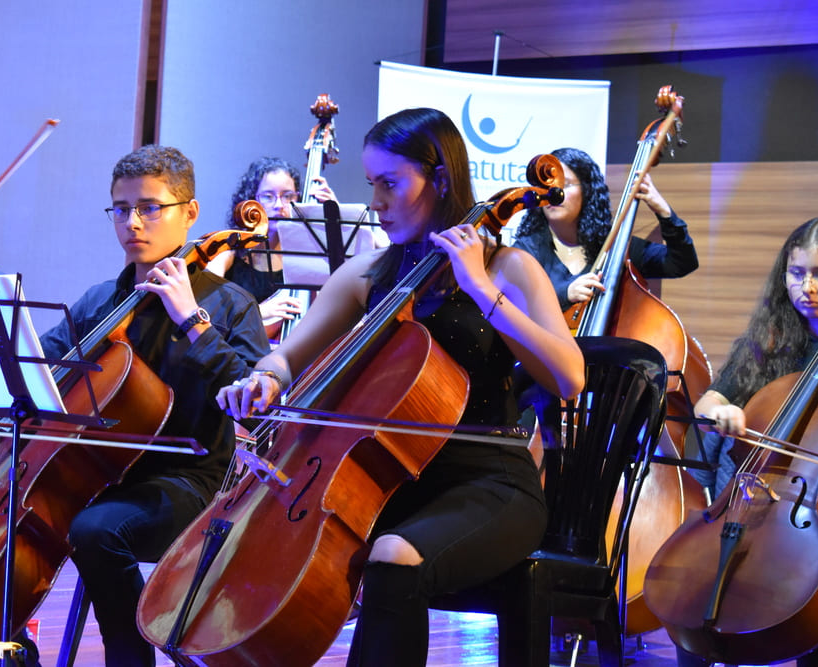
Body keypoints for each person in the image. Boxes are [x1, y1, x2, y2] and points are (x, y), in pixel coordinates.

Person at [217, 108, 584, 666]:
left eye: (390, 184)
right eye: (372, 185)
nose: (378, 202)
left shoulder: (507, 268)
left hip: (490, 486)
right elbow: (289, 356)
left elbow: (569, 378)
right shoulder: (369, 276)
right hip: (390, 483)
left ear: (439, 179)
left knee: (391, 556)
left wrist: (481, 289)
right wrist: (264, 379)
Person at [35, 145, 269, 666]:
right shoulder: (100, 302)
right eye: (121, 208)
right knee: (15, 508)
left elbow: (255, 401)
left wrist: (190, 319)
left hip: (189, 482)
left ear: (190, 212)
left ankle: (128, 658)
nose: (132, 222)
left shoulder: (229, 305)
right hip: (97, 473)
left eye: (149, 207)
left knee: (96, 530)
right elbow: (38, 368)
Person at [679, 216, 818, 667]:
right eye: (797, 272)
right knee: (698, 583)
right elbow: (707, 403)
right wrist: (722, 411)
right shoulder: (767, 341)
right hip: (761, 497)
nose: (808, 287)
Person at [510, 146, 698, 311]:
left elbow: (681, 263)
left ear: (587, 191)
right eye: (547, 187)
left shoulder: (617, 248)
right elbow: (511, 306)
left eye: (565, 185)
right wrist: (564, 294)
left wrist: (663, 210)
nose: (554, 194)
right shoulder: (526, 251)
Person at [208, 156, 335, 335]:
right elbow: (204, 304)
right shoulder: (229, 251)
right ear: (252, 200)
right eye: (268, 196)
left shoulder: (306, 255)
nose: (279, 205)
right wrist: (257, 312)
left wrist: (335, 217)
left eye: (288, 196)